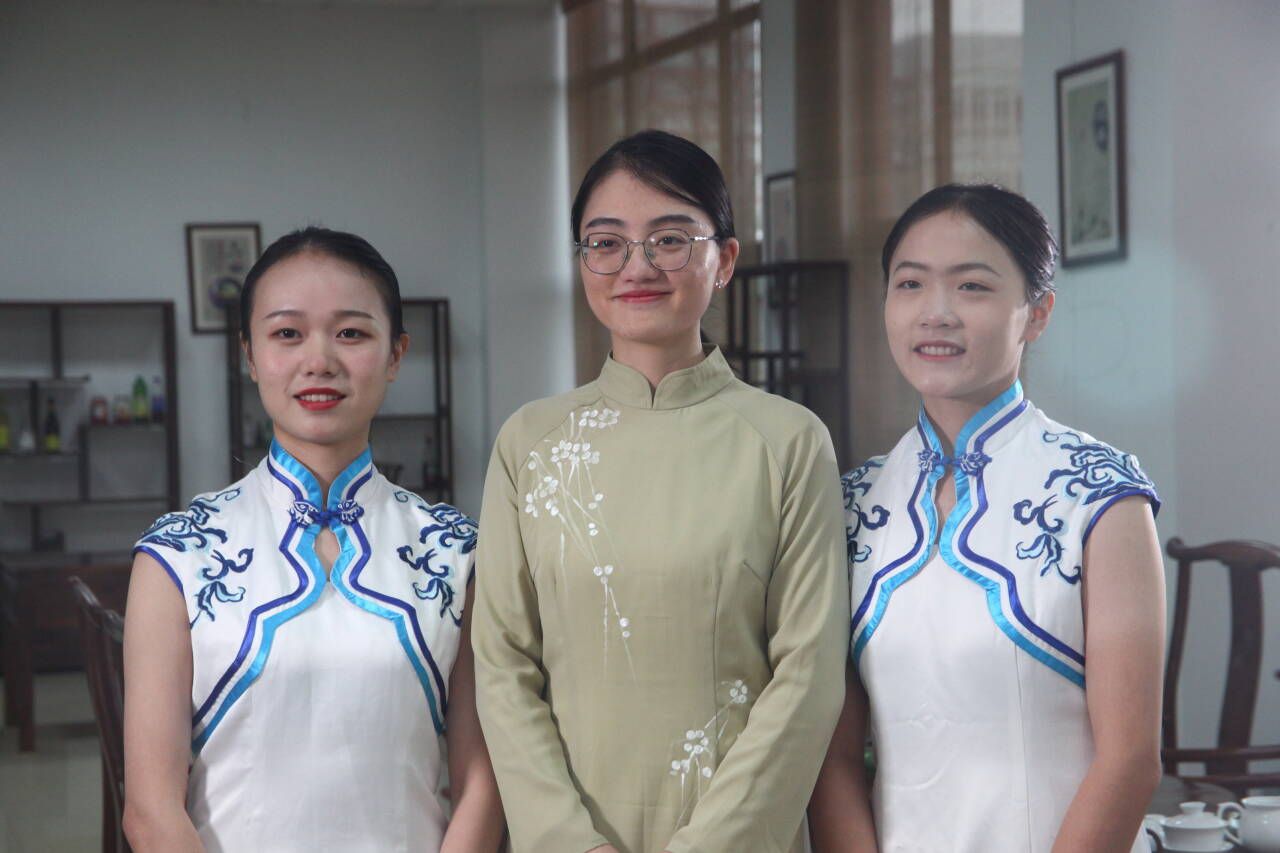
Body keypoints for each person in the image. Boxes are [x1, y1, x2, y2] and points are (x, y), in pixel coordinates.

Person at [473, 129, 849, 853]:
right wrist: (569, 842)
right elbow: (502, 666)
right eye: (606, 243)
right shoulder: (530, 443)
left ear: (725, 259)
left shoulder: (789, 441)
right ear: (582, 260)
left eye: (670, 240)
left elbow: (807, 675)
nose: (637, 266)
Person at [121, 227, 503, 852]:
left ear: (396, 354)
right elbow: (150, 810)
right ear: (250, 356)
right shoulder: (178, 556)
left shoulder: (459, 555)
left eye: (350, 333)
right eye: (287, 334)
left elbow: (481, 784)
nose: (319, 360)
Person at [808, 184, 1165, 853]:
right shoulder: (851, 504)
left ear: (1037, 313)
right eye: (910, 284)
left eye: (971, 286)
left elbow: (1130, 762)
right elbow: (832, 761)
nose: (935, 313)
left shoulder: (1101, 495)